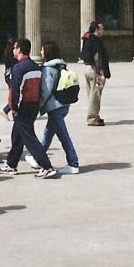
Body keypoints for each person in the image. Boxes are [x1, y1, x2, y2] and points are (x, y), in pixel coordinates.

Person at [0, 38, 55, 178]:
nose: (13, 50)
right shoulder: (35, 66)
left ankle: (46, 166)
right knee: (17, 135)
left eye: (15, 48)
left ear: (19, 49)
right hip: (34, 105)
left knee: (29, 138)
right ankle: (11, 164)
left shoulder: (18, 68)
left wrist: (13, 107)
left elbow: (15, 90)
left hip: (23, 107)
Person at [32, 41, 79, 174]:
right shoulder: (60, 65)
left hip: (55, 107)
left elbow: (46, 90)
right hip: (63, 104)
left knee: (63, 136)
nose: (40, 52)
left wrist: (38, 105)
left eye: (42, 50)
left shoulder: (48, 68)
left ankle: (73, 163)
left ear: (47, 52)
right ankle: (38, 158)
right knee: (48, 132)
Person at [79, 20, 111, 127]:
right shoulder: (96, 41)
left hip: (87, 69)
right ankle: (92, 118)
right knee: (96, 95)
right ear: (97, 29)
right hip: (94, 70)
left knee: (91, 95)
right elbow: (99, 58)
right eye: (102, 29)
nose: (103, 31)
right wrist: (102, 73)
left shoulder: (87, 39)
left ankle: (95, 116)